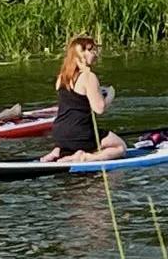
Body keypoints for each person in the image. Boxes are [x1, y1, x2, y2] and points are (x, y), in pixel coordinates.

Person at [40, 35, 127, 163]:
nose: (96, 54)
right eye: (92, 50)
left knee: (77, 142)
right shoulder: (89, 76)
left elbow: (76, 99)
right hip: (79, 133)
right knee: (120, 147)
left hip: (59, 132)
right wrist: (110, 95)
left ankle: (60, 151)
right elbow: (99, 108)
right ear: (82, 54)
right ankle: (85, 157)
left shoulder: (61, 78)